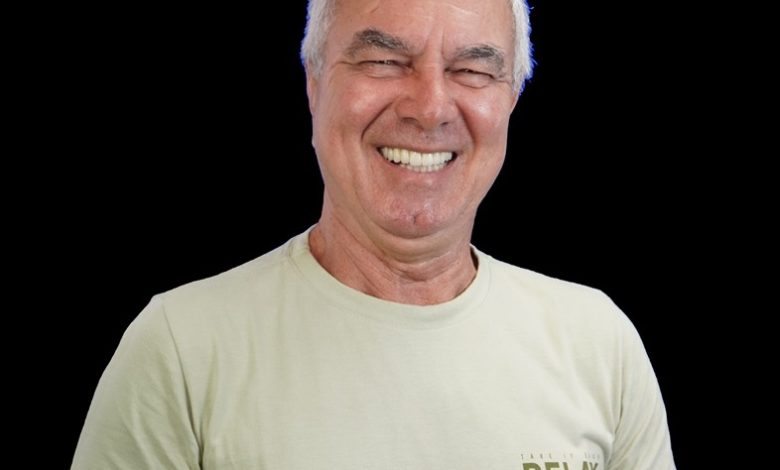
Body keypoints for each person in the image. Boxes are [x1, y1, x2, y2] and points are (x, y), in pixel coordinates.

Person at [72, 0, 676, 468]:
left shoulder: (600, 346)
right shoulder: (181, 349)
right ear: (313, 83)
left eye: (472, 70)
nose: (430, 107)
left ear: (511, 100)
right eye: (384, 62)